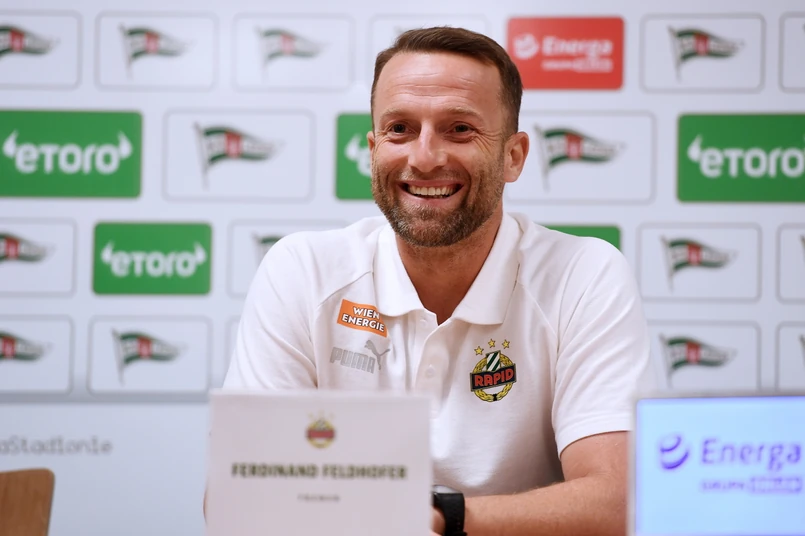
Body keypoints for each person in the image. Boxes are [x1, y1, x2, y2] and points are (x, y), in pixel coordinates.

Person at [221, 26, 654, 536]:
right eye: (400, 129)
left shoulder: (584, 274)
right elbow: (240, 501)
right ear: (373, 148)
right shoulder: (302, 271)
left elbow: (619, 501)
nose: (424, 157)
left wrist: (439, 518)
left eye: (460, 129)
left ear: (513, 156)